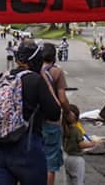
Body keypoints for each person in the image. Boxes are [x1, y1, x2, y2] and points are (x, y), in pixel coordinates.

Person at [0, 39, 61, 185]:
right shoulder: (36, 80)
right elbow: (55, 113)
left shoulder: (3, 77)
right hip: (27, 148)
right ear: (36, 60)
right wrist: (44, 79)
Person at [40, 43, 71, 185]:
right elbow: (62, 98)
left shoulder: (35, 70)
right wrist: (68, 113)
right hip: (52, 121)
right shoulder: (57, 72)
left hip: (36, 121)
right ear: (54, 57)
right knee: (50, 163)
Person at [62, 104, 93, 185]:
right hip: (77, 158)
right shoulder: (76, 131)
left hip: (66, 157)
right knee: (79, 180)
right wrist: (91, 144)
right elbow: (81, 144)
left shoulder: (64, 129)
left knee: (69, 180)